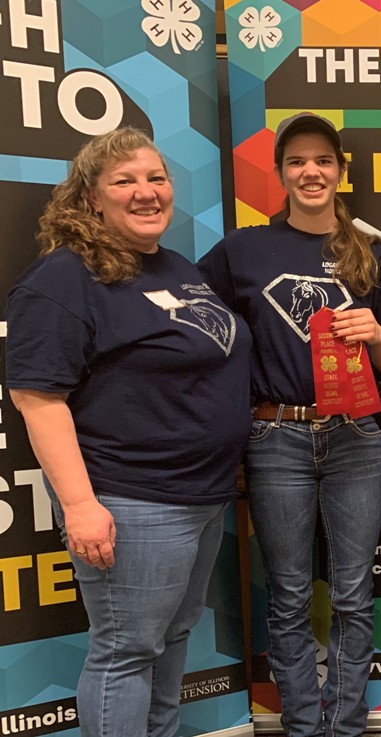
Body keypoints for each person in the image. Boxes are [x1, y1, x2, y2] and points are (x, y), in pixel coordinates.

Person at [4, 127, 252, 737]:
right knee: (126, 652)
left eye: (156, 178)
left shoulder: (174, 267)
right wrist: (80, 506)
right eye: (124, 181)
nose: (146, 192)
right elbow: (37, 398)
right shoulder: (64, 278)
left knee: (171, 639)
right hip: (133, 498)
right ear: (92, 197)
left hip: (200, 496)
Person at [198, 113, 381, 737]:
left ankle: (344, 726)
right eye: (296, 162)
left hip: (357, 437)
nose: (310, 172)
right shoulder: (243, 249)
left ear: (340, 170)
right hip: (275, 436)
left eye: (322, 161)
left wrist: (376, 335)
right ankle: (302, 726)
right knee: (288, 595)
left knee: (353, 595)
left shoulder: (372, 254)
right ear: (280, 173)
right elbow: (197, 323)